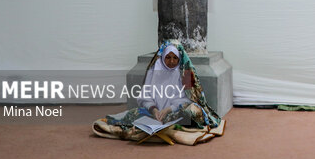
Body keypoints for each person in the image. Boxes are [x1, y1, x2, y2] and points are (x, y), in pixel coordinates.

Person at [92, 40, 223, 144]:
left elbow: (188, 98)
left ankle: (166, 124)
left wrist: (168, 109)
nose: (171, 61)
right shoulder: (154, 70)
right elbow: (145, 96)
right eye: (168, 57)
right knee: (133, 115)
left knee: (193, 110)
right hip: (156, 113)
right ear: (162, 57)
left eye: (175, 58)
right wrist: (154, 109)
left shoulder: (186, 72)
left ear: (179, 58)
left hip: (176, 112)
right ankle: (158, 123)